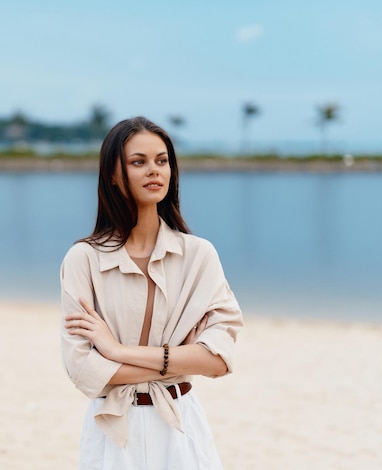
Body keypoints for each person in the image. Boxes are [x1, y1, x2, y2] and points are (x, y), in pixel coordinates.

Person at [60, 116, 243, 469]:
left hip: (181, 422)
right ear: (113, 175)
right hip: (112, 428)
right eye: (138, 162)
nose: (154, 171)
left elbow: (219, 360)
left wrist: (116, 351)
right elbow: (82, 370)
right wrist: (181, 358)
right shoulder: (83, 259)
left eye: (162, 161)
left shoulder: (199, 255)